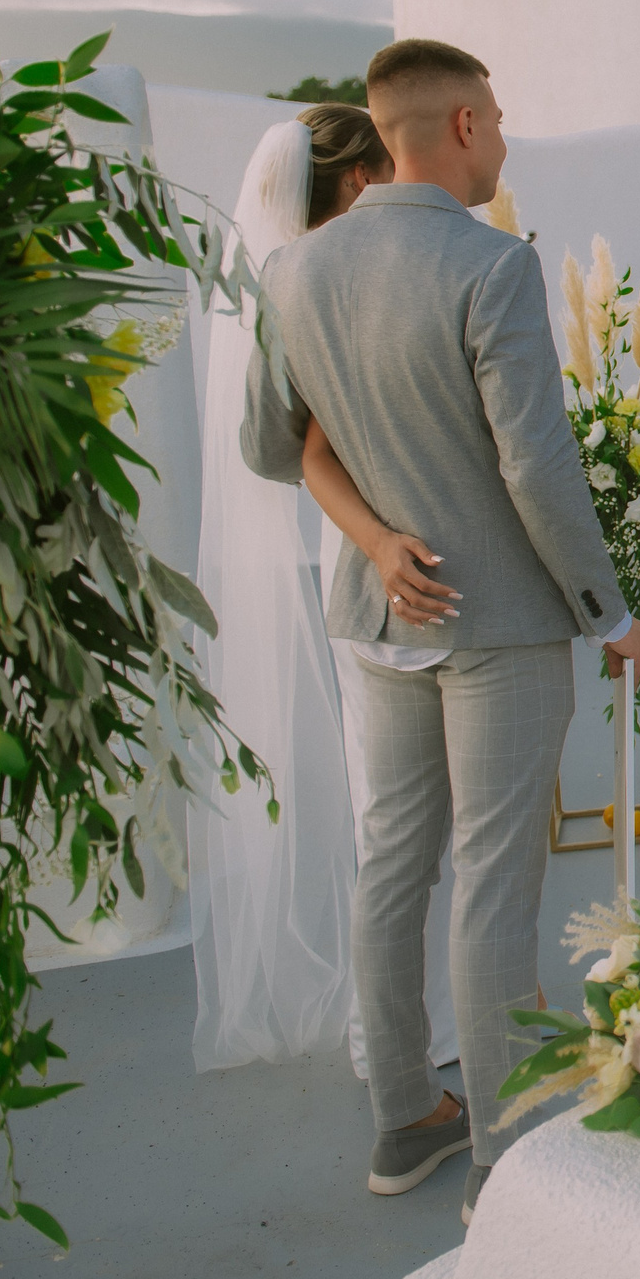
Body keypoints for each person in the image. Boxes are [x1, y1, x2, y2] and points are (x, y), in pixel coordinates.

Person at [242, 38, 640, 1225]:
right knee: (492, 878)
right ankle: (504, 1153)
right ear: (464, 123)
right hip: (499, 620)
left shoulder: (293, 270)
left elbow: (272, 446)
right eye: (500, 118)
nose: (505, 139)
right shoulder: (491, 263)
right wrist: (610, 610)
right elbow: (537, 464)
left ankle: (403, 1119)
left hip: (381, 612)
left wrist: (379, 534)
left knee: (393, 863)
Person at [190, 106, 373, 1071]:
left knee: (377, 793)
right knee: (398, 803)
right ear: (356, 181)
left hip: (349, 546)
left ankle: (384, 1010)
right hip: (383, 550)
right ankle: (399, 1013)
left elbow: (267, 449)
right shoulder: (338, 282)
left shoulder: (275, 280)